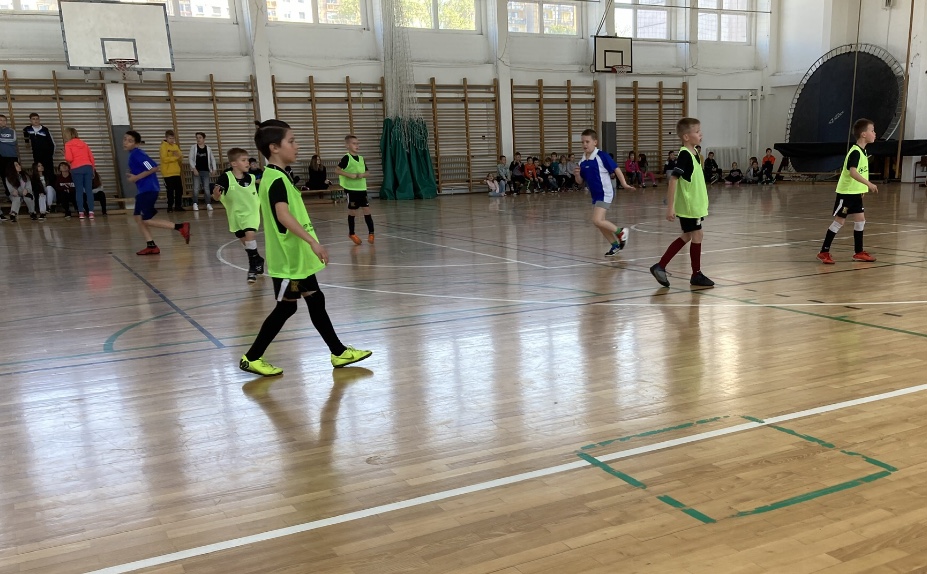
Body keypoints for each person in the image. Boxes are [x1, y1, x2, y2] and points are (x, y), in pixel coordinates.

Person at [239, 119, 372, 376]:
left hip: (295, 259)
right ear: (274, 147)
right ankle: (252, 357)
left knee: (314, 300)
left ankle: (339, 352)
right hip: (290, 261)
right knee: (287, 306)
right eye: (292, 141)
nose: (297, 146)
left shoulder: (279, 176)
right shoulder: (275, 178)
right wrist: (313, 242)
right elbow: (282, 215)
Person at [650, 117, 714, 288]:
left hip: (694, 206)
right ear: (686, 136)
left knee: (689, 235)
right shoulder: (685, 155)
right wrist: (670, 207)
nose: (701, 134)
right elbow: (673, 180)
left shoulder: (694, 155)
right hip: (689, 206)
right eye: (697, 131)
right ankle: (695, 274)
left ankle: (661, 266)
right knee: (697, 235)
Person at [816, 118, 879, 264]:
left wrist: (862, 189)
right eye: (872, 130)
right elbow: (853, 172)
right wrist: (869, 184)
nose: (875, 133)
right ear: (863, 134)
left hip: (856, 194)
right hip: (846, 194)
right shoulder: (855, 152)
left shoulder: (863, 151)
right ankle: (824, 252)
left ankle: (858, 252)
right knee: (839, 222)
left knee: (860, 220)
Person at [125, 130, 191, 255]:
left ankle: (180, 227)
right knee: (138, 217)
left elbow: (153, 167)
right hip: (143, 190)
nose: (126, 142)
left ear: (137, 143)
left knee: (146, 220)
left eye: (130, 140)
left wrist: (135, 177)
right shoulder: (133, 154)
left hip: (148, 190)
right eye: (125, 139)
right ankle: (151, 245)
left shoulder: (137, 154)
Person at [573, 129, 634, 258]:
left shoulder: (601, 156)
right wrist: (577, 175)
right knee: (599, 222)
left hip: (605, 192)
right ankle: (615, 245)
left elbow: (616, 169)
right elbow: (580, 182)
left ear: (595, 142)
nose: (585, 144)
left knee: (597, 220)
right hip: (595, 195)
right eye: (582, 142)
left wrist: (623, 184)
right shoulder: (582, 162)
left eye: (587, 141)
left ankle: (621, 232)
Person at [212, 147, 265, 283]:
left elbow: (261, 185)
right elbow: (216, 196)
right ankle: (258, 259)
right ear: (234, 163)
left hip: (251, 213)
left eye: (247, 159)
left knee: (250, 235)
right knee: (246, 243)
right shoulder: (226, 177)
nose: (247, 162)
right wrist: (216, 195)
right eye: (244, 160)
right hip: (235, 215)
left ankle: (252, 269)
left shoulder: (252, 178)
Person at [336, 134, 374, 245]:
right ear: (347, 145)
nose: (357, 145)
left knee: (366, 210)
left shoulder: (361, 159)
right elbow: (337, 170)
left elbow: (368, 172)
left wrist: (363, 175)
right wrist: (348, 174)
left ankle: (371, 233)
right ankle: (351, 233)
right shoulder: (346, 158)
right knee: (352, 211)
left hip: (362, 189)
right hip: (351, 189)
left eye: (358, 143)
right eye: (354, 143)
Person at [63, 127, 96, 219]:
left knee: (79, 190)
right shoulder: (84, 143)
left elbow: (69, 158)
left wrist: (65, 155)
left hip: (76, 168)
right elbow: (91, 158)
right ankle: (91, 212)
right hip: (88, 167)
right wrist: (93, 169)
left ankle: (81, 212)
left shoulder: (68, 144)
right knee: (89, 190)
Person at [22, 113, 55, 185]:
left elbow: (52, 143)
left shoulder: (45, 129)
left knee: (49, 172)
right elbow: (25, 132)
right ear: (30, 120)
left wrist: (50, 155)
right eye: (33, 119)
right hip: (37, 155)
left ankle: (52, 188)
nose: (35, 120)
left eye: (37, 119)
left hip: (47, 155)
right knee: (39, 172)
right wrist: (27, 142)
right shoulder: (28, 129)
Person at [188, 131, 217, 211]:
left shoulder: (208, 148)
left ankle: (208, 203)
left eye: (200, 137)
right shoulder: (193, 147)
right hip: (196, 170)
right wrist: (194, 169)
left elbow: (212, 159)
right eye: (197, 138)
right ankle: (195, 203)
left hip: (205, 171)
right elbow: (190, 159)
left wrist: (214, 169)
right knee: (196, 188)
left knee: (207, 188)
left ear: (204, 139)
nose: (198, 139)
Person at [160, 130, 184, 212]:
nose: (172, 140)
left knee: (179, 190)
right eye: (170, 138)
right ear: (166, 138)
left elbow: (180, 156)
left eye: (173, 138)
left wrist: (178, 156)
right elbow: (164, 159)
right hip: (167, 173)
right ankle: (169, 207)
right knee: (170, 191)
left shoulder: (175, 146)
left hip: (176, 172)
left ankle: (178, 206)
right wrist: (175, 157)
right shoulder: (163, 146)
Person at [0, 114, 17, 178]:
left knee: (13, 176)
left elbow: (13, 141)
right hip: (1, 158)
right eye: (0, 120)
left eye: (4, 120)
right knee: (4, 176)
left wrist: (0, 139)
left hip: (11, 156)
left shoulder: (11, 130)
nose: (3, 122)